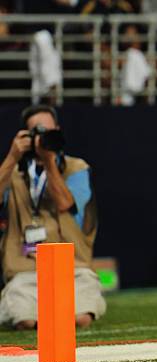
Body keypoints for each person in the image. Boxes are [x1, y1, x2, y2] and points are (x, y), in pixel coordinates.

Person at [0, 105, 104, 330]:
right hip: (25, 270)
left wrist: (49, 162)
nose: (43, 139)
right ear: (26, 136)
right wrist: (11, 157)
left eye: (49, 132)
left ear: (58, 130)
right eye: (38, 133)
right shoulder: (12, 173)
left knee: (79, 319)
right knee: (26, 321)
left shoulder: (76, 168)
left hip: (73, 269)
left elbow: (65, 203)